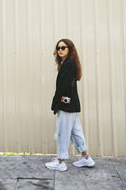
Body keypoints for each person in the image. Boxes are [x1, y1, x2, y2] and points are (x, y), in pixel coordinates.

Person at [45, 38, 95, 171]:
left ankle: (60, 162)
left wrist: (58, 102)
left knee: (63, 132)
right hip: (71, 104)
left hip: (67, 104)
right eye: (58, 48)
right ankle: (86, 158)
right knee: (76, 131)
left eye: (63, 48)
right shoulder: (69, 63)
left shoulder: (68, 64)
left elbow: (64, 87)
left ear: (69, 50)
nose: (60, 50)